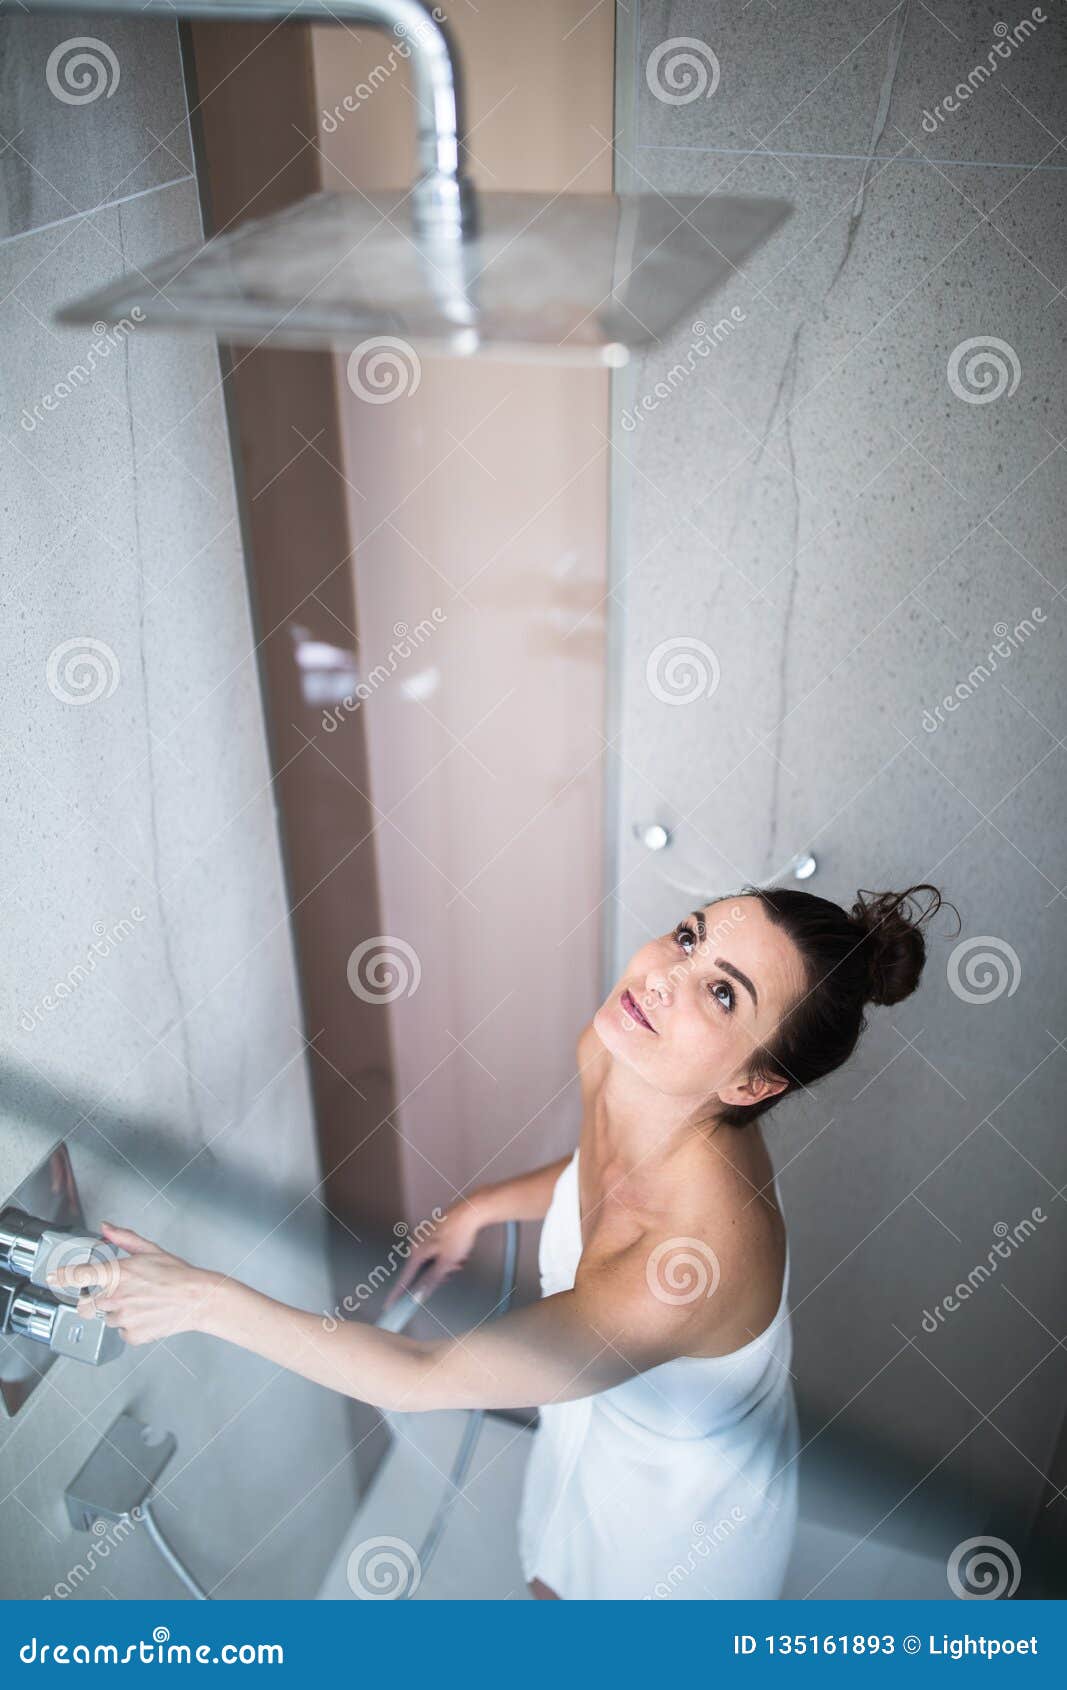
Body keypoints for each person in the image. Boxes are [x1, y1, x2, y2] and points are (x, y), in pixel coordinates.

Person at [50, 880, 956, 1600]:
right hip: (589, 1430)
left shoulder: (682, 1273)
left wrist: (201, 1298)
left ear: (755, 1086)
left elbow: (417, 1382)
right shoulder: (620, 1047)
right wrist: (485, 1206)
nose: (661, 977)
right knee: (546, 1575)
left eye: (721, 994)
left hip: (683, 1518)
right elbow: (594, 1169)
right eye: (688, 936)